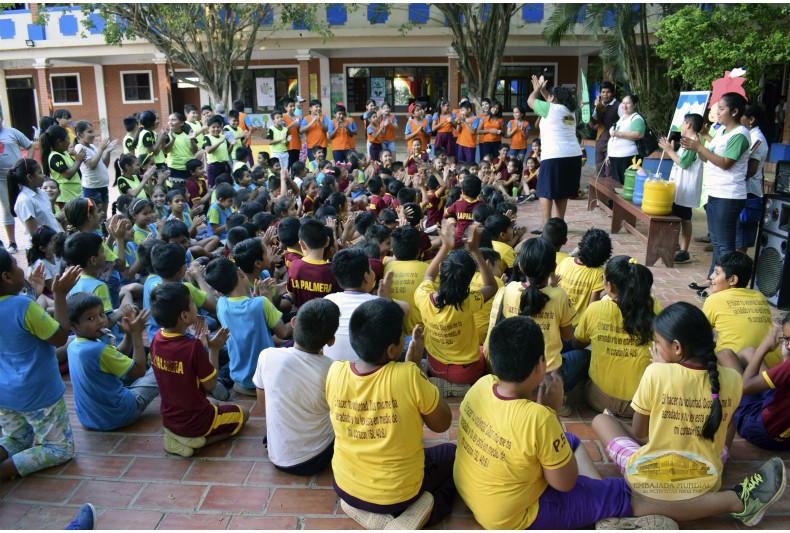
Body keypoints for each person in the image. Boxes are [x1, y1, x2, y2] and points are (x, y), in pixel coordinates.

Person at [459, 314, 786, 530]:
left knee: (573, 443)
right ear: (541, 366)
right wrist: (551, 413)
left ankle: (601, 508)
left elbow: (639, 433)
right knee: (619, 493)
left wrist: (548, 418)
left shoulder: (480, 386)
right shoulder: (729, 379)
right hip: (514, 517)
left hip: (476, 492)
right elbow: (565, 484)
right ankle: (737, 501)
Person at [326, 298, 455, 529]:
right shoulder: (408, 375)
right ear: (392, 350)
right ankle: (414, 517)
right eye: (401, 336)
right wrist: (416, 370)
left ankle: (365, 513)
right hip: (398, 495)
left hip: (346, 487)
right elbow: (442, 423)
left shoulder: (335, 371)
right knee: (453, 458)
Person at [0, 250, 80, 480]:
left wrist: (31, 296)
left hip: (5, 394)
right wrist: (60, 295)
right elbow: (60, 336)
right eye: (16, 265)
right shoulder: (23, 307)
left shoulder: (24, 304)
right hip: (37, 393)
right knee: (60, 448)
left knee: (16, 439)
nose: (21, 269)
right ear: (6, 276)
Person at [148, 282, 249, 457]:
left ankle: (175, 437)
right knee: (244, 413)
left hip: (170, 419)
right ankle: (198, 442)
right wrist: (214, 350)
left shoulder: (157, 338)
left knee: (214, 403)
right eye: (193, 304)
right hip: (196, 422)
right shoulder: (191, 347)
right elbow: (211, 385)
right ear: (184, 316)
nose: (196, 307)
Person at [253, 298, 339, 475]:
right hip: (317, 457)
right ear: (331, 341)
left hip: (277, 455)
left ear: (293, 322)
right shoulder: (333, 368)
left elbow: (263, 406)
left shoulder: (267, 356)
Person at [414, 222, 498, 394]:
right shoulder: (469, 302)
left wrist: (445, 246)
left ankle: (442, 384)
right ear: (470, 279)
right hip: (467, 372)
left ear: (440, 269)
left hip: (435, 367)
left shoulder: (423, 296)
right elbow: (491, 285)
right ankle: (461, 387)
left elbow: (429, 275)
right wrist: (475, 251)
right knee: (484, 350)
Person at [573, 256, 661, 417]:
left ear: (610, 287)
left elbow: (577, 343)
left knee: (585, 351)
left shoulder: (595, 309)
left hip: (598, 399)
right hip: (640, 407)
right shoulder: (653, 305)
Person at [683, 93, 751, 293]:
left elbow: (725, 163)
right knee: (717, 241)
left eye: (721, 109)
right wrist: (697, 148)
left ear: (735, 111)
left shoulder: (740, 134)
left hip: (728, 195)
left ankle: (726, 289)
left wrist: (699, 147)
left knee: (725, 245)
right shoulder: (721, 132)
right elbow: (709, 158)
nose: (716, 112)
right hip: (715, 192)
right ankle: (713, 279)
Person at [66, 292, 159, 431]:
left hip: (89, 418)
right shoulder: (97, 349)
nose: (101, 321)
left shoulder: (74, 345)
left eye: (102, 314)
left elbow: (116, 356)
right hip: (118, 415)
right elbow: (139, 370)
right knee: (161, 366)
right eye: (91, 318)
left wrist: (128, 334)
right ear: (73, 326)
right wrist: (137, 335)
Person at [204, 258, 291, 396]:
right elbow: (283, 332)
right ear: (240, 272)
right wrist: (268, 300)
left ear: (219, 291)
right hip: (267, 376)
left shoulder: (221, 304)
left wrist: (255, 298)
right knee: (294, 339)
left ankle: (245, 387)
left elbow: (244, 309)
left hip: (240, 378)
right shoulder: (261, 303)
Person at [703, 251, 783, 369]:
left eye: (716, 273)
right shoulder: (759, 295)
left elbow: (700, 333)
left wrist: (712, 297)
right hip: (771, 367)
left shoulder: (713, 300)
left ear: (733, 280)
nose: (711, 277)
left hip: (737, 366)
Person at [323, 248, 406, 362]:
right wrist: (386, 299)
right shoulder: (378, 302)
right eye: (371, 270)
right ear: (366, 277)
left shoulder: (328, 300)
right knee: (409, 341)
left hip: (332, 369)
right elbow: (406, 309)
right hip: (369, 369)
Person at [722, 317, 790, 451]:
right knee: (750, 352)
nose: (788, 345)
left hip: (762, 431)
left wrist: (764, 348)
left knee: (725, 355)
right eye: (786, 339)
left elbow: (746, 387)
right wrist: (786, 356)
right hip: (782, 425)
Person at [527, 75, 583, 228]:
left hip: (554, 156)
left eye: (549, 96)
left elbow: (530, 101)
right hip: (572, 157)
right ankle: (559, 225)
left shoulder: (549, 108)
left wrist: (537, 89)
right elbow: (550, 103)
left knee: (545, 190)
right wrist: (545, 91)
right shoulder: (569, 111)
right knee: (561, 190)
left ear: (552, 98)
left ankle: (546, 226)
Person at [658, 114, 704, 264]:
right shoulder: (689, 142)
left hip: (686, 188)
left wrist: (668, 150)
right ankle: (675, 244)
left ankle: (684, 251)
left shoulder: (694, 142)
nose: (682, 126)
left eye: (683, 123)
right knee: (679, 216)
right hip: (680, 187)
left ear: (689, 125)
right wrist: (672, 149)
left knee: (685, 218)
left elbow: (683, 163)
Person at [556, 227, 612, 327]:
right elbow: (592, 307)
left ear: (581, 247)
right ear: (606, 255)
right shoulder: (599, 273)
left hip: (558, 322)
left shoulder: (565, 261)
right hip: (577, 328)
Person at [0, 109, 37, 252]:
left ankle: (34, 238)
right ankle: (12, 243)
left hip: (19, 176)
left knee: (27, 204)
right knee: (7, 209)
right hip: (1, 179)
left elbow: (30, 146)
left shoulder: (12, 132)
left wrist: (27, 164)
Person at [7, 158, 62, 250]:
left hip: (53, 244)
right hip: (42, 249)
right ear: (30, 177)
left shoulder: (41, 193)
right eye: (40, 173)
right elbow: (34, 234)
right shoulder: (25, 200)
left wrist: (62, 234)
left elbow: (50, 217)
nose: (43, 175)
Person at [736, 104, 769, 252]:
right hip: (742, 189)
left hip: (749, 191)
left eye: (741, 115)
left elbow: (751, 170)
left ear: (751, 119)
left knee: (742, 236)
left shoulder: (757, 139)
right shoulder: (748, 135)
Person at [285, 218, 340, 308]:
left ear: (301, 244)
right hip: (328, 319)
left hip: (302, 318)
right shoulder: (333, 270)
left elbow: (292, 297)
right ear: (327, 242)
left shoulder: (294, 266)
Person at [74, 120, 118, 216]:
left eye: (93, 132)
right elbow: (91, 165)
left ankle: (103, 231)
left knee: (103, 215)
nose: (93, 135)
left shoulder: (93, 147)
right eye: (89, 132)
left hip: (102, 186)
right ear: (79, 135)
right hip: (92, 189)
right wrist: (101, 149)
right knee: (94, 216)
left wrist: (107, 152)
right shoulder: (79, 147)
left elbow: (104, 164)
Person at [41, 125, 84, 208]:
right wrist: (78, 161)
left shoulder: (64, 153)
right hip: (65, 198)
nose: (69, 142)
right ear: (60, 141)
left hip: (73, 195)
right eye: (67, 139)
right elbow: (67, 175)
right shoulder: (55, 157)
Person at [606, 94, 645, 184]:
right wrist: (609, 154)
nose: (625, 106)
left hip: (628, 157)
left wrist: (619, 134)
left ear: (634, 105)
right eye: (623, 103)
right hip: (615, 156)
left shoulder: (636, 118)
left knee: (625, 184)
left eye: (628, 103)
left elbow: (639, 134)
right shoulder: (622, 118)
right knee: (617, 184)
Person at [588, 81, 621, 178]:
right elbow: (593, 123)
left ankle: (609, 192)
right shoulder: (599, 106)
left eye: (608, 92)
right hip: (600, 141)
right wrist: (585, 112)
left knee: (609, 170)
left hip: (612, 142)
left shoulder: (618, 106)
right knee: (599, 169)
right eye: (603, 92)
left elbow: (624, 122)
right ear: (600, 93)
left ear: (612, 93)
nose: (605, 95)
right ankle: (600, 192)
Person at [444, 174, 483, 249]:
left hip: (458, 242)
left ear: (463, 192)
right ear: (479, 192)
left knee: (450, 219)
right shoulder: (482, 205)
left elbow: (445, 213)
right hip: (476, 243)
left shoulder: (458, 204)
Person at [163, 112, 198, 184]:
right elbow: (165, 151)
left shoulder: (188, 133)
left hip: (188, 168)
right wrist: (173, 139)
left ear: (181, 123)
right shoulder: (167, 135)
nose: (170, 122)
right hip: (174, 168)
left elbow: (195, 150)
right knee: (176, 192)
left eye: (173, 120)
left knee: (189, 191)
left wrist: (191, 139)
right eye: (169, 120)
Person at [202, 115, 232, 187]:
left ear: (221, 128)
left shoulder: (223, 138)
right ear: (209, 128)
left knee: (226, 186)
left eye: (218, 127)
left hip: (224, 165)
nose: (216, 129)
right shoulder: (207, 137)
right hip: (214, 167)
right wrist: (219, 142)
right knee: (213, 187)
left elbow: (228, 152)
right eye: (213, 127)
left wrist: (232, 145)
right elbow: (208, 150)